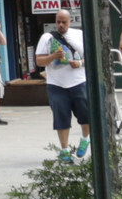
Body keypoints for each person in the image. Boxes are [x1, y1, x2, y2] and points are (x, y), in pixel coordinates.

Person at [36, 8, 89, 159]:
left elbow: (90, 57)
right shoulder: (47, 38)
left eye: (64, 22)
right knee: (61, 118)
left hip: (79, 82)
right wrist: (53, 56)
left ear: (69, 21)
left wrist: (79, 63)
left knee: (85, 115)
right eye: (58, 22)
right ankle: (64, 150)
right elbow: (39, 60)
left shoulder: (79, 35)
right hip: (56, 84)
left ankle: (85, 139)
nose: (60, 25)